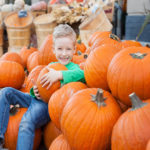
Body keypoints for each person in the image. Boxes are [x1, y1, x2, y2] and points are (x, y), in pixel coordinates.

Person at [0, 24, 85, 150]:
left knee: (26, 122)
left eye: (68, 49)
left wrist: (60, 75)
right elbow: (40, 84)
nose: (64, 53)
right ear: (54, 50)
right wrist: (34, 91)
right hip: (35, 99)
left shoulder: (74, 68)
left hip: (46, 105)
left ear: (74, 50)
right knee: (6, 92)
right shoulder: (50, 65)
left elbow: (82, 75)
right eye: (60, 49)